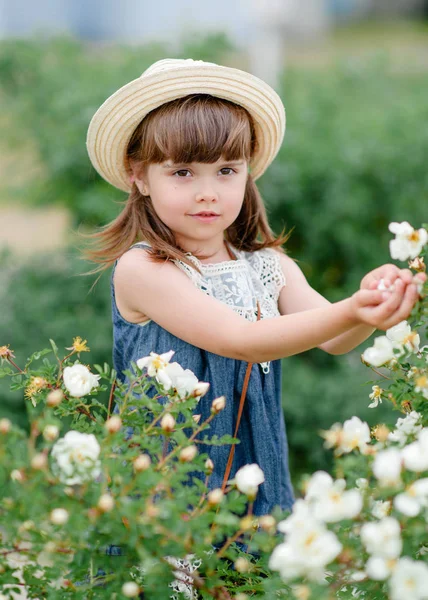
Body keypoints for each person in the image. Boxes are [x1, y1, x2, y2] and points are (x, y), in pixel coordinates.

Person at [84, 57, 426, 520]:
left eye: (227, 170)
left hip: (255, 466)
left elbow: (333, 338)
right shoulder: (144, 267)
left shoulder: (266, 265)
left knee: (250, 577)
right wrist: (351, 309)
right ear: (139, 175)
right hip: (169, 470)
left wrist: (372, 304)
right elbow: (240, 340)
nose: (208, 191)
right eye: (182, 172)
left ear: (247, 174)